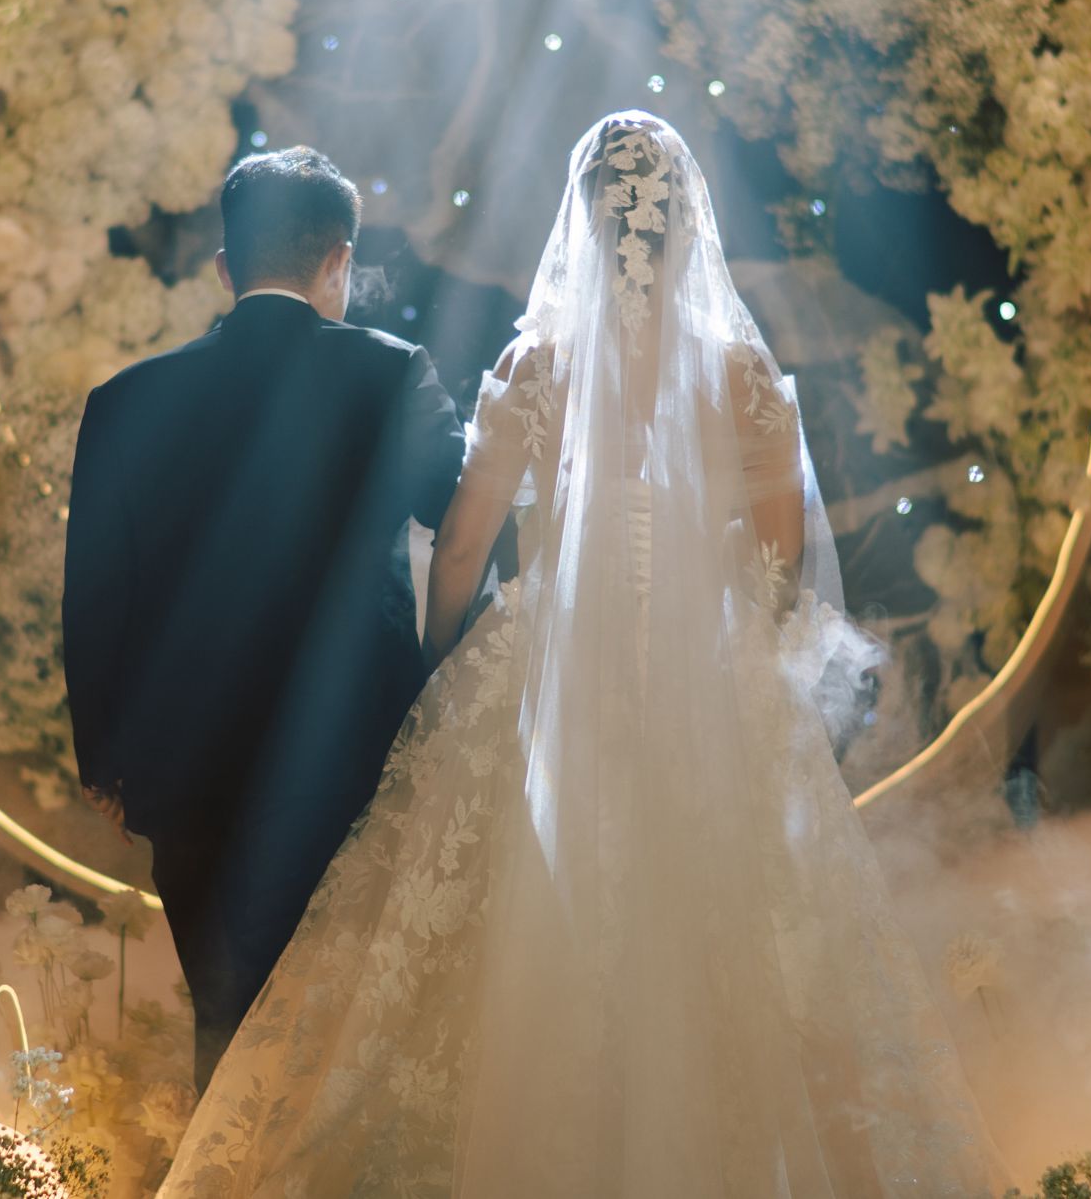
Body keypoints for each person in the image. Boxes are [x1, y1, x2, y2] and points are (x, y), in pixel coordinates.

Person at [160, 114, 1002, 1196]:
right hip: (706, 683)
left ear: (583, 226)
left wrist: (442, 667)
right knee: (733, 941)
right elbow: (779, 572)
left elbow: (460, 546)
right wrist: (722, 654)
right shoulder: (743, 372)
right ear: (684, 224)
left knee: (505, 933)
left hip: (543, 678)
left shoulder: (536, 365)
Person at [61, 147, 467, 1090]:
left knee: (230, 1030)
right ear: (339, 261)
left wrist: (105, 760)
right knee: (349, 1038)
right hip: (354, 755)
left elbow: (97, 593)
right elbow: (461, 523)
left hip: (185, 769)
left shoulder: (125, 402)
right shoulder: (389, 373)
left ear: (224, 267)